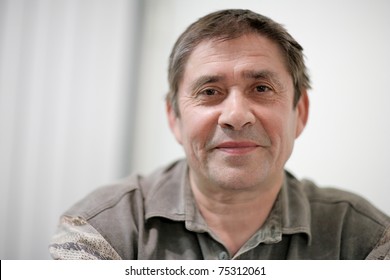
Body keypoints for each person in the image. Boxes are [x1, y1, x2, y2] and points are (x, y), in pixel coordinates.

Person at [49, 9, 390, 260]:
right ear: (174, 117)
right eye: (210, 91)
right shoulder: (100, 230)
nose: (236, 116)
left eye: (261, 87)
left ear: (299, 114)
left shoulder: (365, 238)